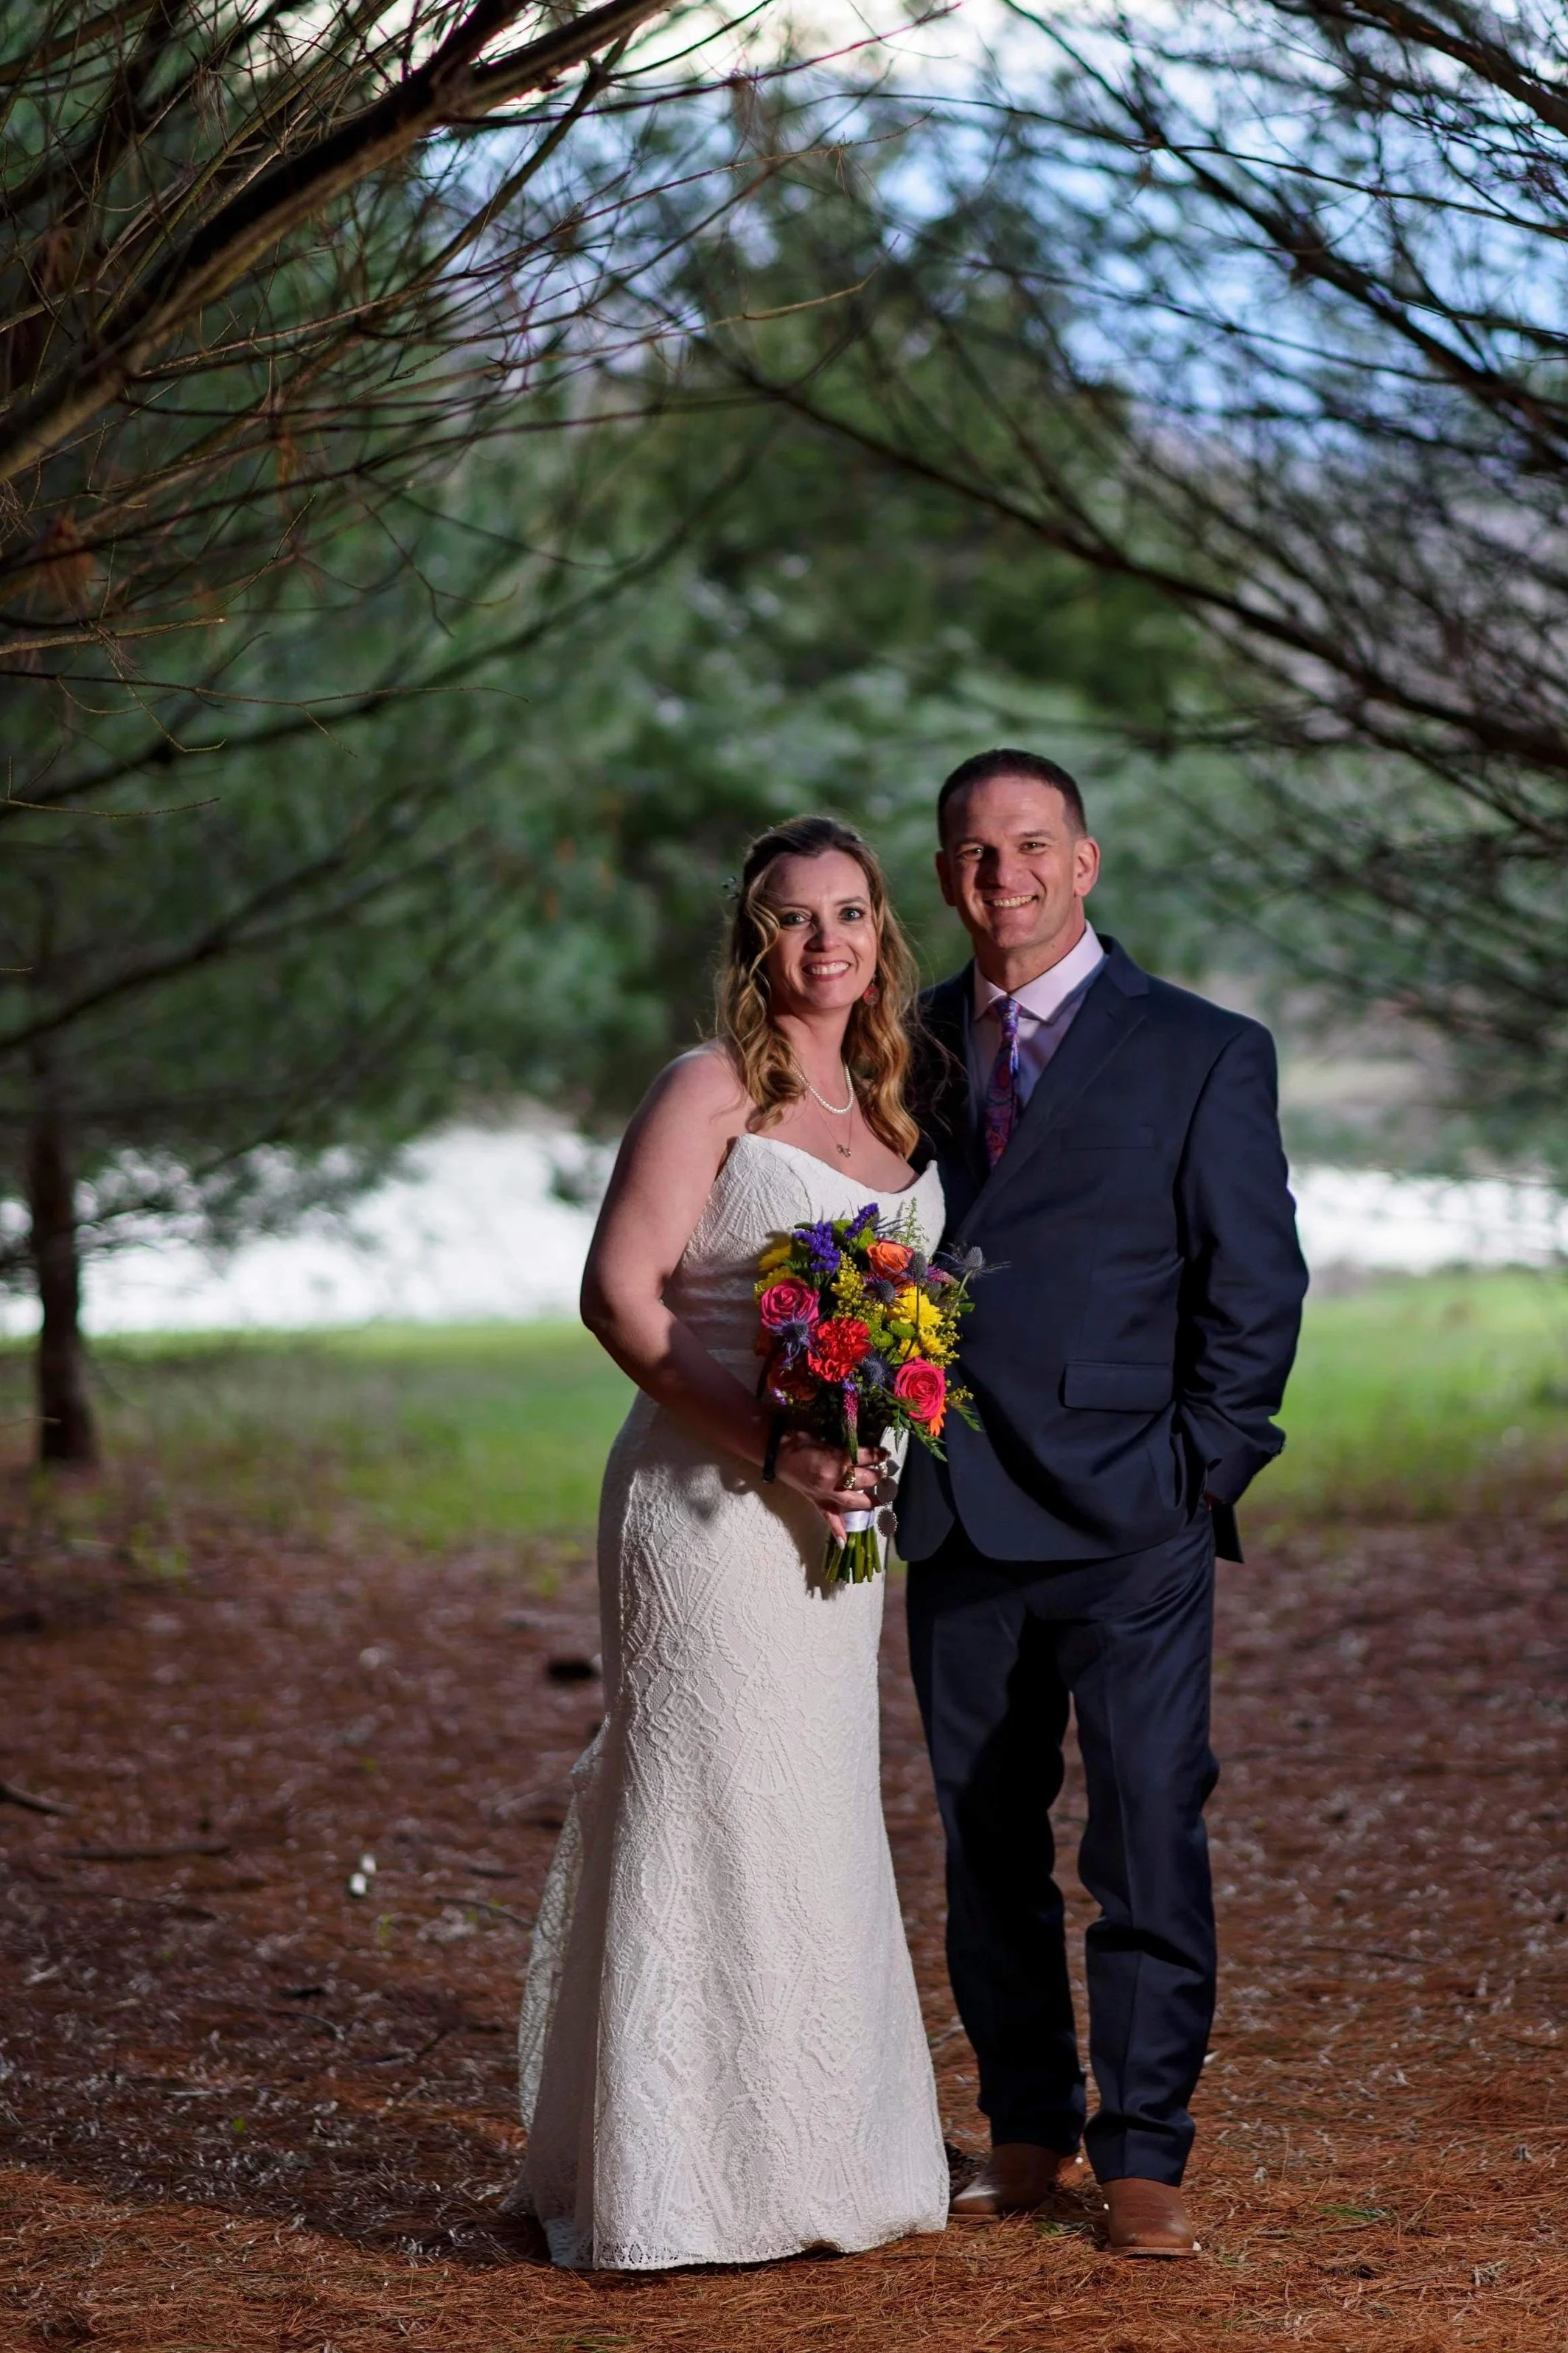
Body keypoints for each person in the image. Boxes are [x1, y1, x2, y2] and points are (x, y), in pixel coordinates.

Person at [518, 816, 949, 2271]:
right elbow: (618, 1297)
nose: (822, 943)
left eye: (845, 914)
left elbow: (897, 1313)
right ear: (750, 941)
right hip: (702, 1516)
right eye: (789, 918)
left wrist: (863, 1436)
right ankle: (676, 2180)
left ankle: (821, 2151)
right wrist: (775, 1444)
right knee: (707, 1806)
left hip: (835, 1519)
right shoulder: (706, 1091)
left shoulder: (895, 1108)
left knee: (814, 1807)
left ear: (881, 934)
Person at [899, 750, 1308, 2259]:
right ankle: (1025, 2128)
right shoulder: (904, 1043)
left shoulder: (1200, 1049)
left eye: (1026, 845)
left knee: (1143, 1828)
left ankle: (1144, 2156)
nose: (997, 873)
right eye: (968, 851)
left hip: (1131, 1512)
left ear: (1083, 862)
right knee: (983, 1836)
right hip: (952, 1509)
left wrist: (1198, 1468)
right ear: (944, 878)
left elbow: (1253, 1288)